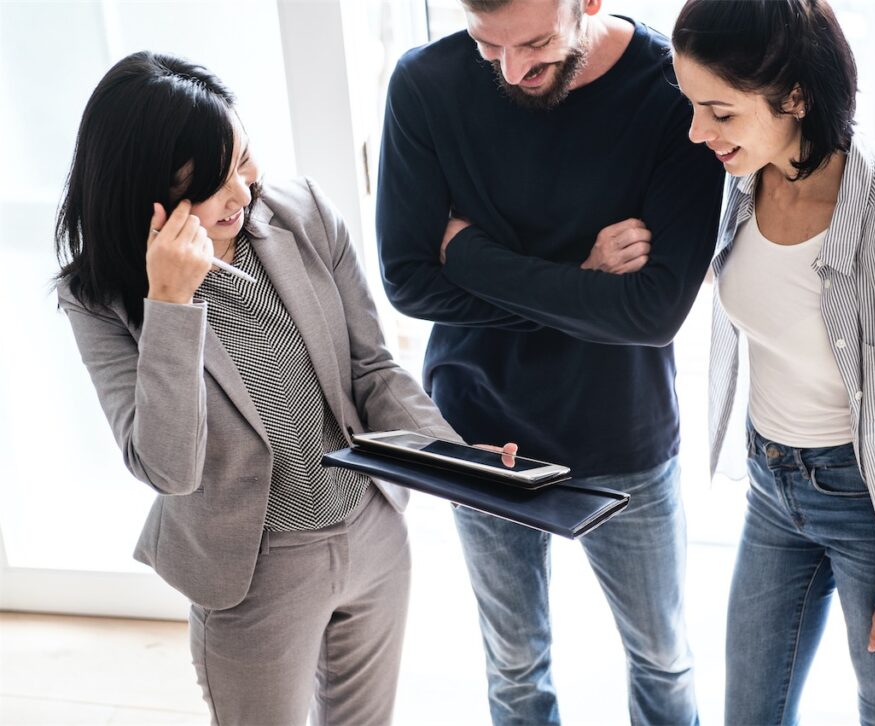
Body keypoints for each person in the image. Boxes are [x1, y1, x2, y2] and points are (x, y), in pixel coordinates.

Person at [54, 51, 510, 726]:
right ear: (147, 195)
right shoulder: (98, 299)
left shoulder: (302, 215)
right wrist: (172, 306)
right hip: (254, 573)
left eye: (244, 158)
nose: (242, 192)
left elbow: (372, 369)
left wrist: (456, 461)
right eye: (213, 182)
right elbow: (169, 468)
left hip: (372, 534)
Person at [376, 0, 724, 723]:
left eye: (535, 42)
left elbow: (654, 314)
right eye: (486, 45)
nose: (512, 69)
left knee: (662, 657)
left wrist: (469, 255)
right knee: (514, 667)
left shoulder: (670, 91)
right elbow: (408, 278)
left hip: (622, 429)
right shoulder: (423, 84)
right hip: (478, 432)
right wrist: (587, 276)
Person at [670, 1, 875, 723]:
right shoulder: (741, 175)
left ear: (794, 97)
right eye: (691, 106)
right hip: (772, 485)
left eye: (718, 112)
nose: (697, 133)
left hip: (872, 506)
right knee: (750, 710)